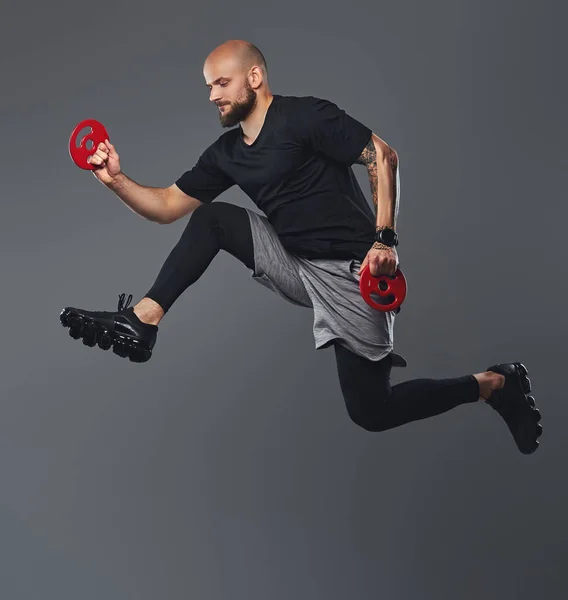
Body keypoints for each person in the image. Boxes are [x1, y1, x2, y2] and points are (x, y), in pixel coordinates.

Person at [60, 40, 542, 454]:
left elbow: (381, 155)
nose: (213, 96)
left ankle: (494, 384)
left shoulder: (305, 115)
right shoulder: (226, 154)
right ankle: (142, 320)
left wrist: (385, 239)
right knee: (211, 219)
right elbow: (166, 205)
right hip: (294, 260)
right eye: (208, 86)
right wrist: (114, 179)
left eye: (221, 83)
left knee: (372, 411)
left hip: (356, 271)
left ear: (254, 76)